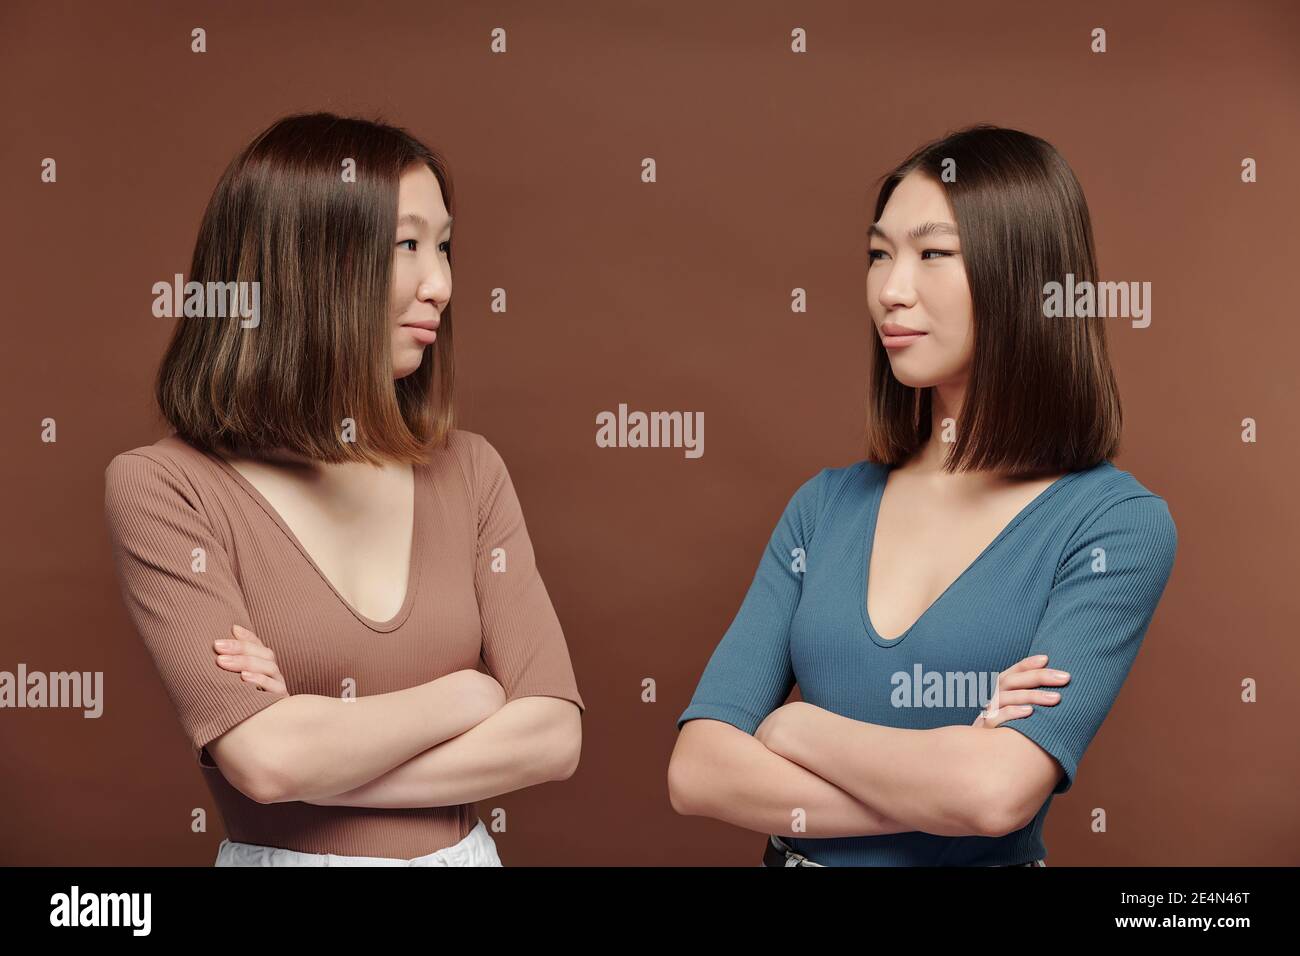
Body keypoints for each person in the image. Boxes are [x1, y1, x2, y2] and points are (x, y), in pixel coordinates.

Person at [668, 125, 1177, 867]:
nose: (890, 290)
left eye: (933, 254)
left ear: (1025, 275)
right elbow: (698, 770)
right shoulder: (823, 507)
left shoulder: (1113, 528)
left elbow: (995, 796)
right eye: (879, 255)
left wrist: (796, 731)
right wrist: (940, 784)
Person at [104, 112, 584, 867]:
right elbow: (265, 760)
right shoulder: (165, 488)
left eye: (445, 246)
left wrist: (314, 745)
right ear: (304, 262)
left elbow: (554, 735)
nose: (443, 284)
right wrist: (466, 697)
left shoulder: (471, 470)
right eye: (408, 246)